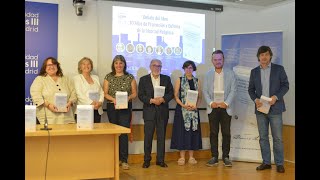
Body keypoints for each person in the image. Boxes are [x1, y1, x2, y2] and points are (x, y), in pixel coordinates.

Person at [248, 45, 289, 173]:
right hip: (261, 110)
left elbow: (285, 85)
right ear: (258, 57)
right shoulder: (254, 72)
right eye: (261, 55)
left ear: (270, 55)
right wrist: (256, 100)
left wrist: (276, 97)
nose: (264, 57)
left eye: (266, 54)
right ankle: (266, 162)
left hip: (275, 108)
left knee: (277, 138)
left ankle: (279, 163)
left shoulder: (279, 69)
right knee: (263, 137)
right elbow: (250, 90)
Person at [203, 50, 237, 167]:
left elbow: (233, 90)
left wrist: (226, 103)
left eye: (219, 59)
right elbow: (205, 91)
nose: (217, 62)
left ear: (223, 60)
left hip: (225, 108)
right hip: (212, 108)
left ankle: (226, 157)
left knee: (226, 133)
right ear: (212, 61)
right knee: (213, 133)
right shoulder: (207, 74)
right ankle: (214, 157)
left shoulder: (231, 73)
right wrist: (210, 102)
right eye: (215, 60)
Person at [103, 55, 137, 170]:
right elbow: (105, 93)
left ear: (124, 65)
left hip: (125, 109)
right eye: (116, 63)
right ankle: (114, 159)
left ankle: (124, 160)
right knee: (114, 133)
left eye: (121, 63)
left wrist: (127, 98)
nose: (118, 65)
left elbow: (134, 93)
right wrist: (114, 100)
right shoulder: (108, 77)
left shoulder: (130, 77)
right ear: (113, 64)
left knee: (123, 134)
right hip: (112, 107)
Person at [138, 59, 174, 168]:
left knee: (161, 137)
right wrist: (152, 100)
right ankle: (147, 160)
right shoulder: (143, 79)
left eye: (159, 66)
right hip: (149, 112)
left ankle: (160, 160)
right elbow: (141, 95)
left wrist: (163, 99)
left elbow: (171, 93)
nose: (157, 68)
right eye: (154, 65)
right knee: (148, 137)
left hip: (162, 112)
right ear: (150, 66)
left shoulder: (166, 79)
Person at [170, 60, 202, 166]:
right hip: (182, 110)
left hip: (193, 111)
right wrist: (183, 105)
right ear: (184, 69)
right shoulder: (179, 80)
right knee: (182, 133)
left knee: (192, 133)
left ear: (193, 69)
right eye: (187, 68)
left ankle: (191, 157)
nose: (189, 70)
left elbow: (199, 96)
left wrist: (196, 106)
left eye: (191, 68)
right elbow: (175, 96)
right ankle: (182, 157)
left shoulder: (197, 81)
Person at [30, 57, 77, 124]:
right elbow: (36, 96)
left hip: (67, 118)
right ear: (45, 67)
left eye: (54, 64)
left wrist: (70, 103)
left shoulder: (66, 79)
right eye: (49, 65)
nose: (51, 67)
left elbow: (73, 93)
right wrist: (48, 105)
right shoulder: (39, 79)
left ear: (57, 67)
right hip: (49, 118)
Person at [73, 57, 104, 123]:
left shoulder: (96, 77)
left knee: (96, 132)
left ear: (91, 66)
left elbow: (101, 92)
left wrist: (100, 102)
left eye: (88, 64)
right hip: (83, 110)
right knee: (84, 132)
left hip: (97, 109)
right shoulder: (76, 78)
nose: (86, 66)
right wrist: (91, 103)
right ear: (80, 67)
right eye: (83, 64)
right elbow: (79, 94)